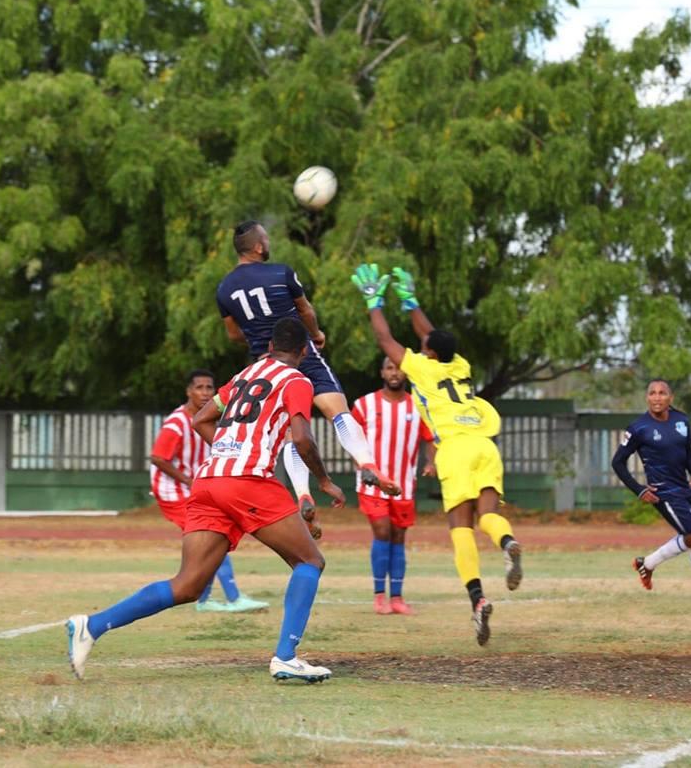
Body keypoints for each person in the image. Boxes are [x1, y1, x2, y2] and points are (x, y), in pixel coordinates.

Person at [66, 318, 347, 683]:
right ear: (305, 350)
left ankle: (91, 625)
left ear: (270, 346)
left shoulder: (244, 376)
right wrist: (324, 481)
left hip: (208, 480)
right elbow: (303, 437)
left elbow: (201, 419)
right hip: (247, 481)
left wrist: (230, 450)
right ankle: (285, 657)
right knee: (310, 560)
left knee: (188, 585)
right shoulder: (297, 381)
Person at [350, 263, 523, 646]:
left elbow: (384, 338)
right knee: (488, 516)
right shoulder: (460, 365)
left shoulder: (421, 369)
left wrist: (374, 302)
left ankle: (478, 600)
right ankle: (507, 542)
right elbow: (430, 335)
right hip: (485, 445)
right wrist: (411, 301)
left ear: (428, 353)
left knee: (461, 527)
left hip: (455, 450)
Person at [216, 221, 400, 531]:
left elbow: (233, 334)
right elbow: (305, 311)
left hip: (266, 363)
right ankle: (366, 462)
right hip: (301, 352)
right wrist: (315, 335)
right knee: (336, 410)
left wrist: (259, 340)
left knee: (291, 430)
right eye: (266, 238)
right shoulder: (281, 273)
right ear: (258, 247)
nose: (268, 242)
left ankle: (302, 492)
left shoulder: (224, 289)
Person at [149, 369, 268, 613]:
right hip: (173, 491)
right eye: (199, 387)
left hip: (197, 488)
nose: (204, 393)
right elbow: (158, 458)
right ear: (188, 391)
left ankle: (204, 601)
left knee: (214, 534)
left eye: (209, 388)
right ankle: (233, 598)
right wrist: (188, 480)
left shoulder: (211, 417)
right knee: (212, 535)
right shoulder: (177, 423)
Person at [611, 379, 691, 607]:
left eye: (662, 393)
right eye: (652, 393)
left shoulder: (681, 420)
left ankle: (647, 564)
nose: (657, 397)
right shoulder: (638, 428)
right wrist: (639, 490)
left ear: (670, 398)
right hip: (663, 493)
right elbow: (618, 463)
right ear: (647, 398)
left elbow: (687, 454)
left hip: (684, 489)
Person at [352, 357, 437, 615]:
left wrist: (430, 462)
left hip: (404, 485)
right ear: (382, 372)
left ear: (405, 373)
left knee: (399, 537)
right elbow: (351, 438)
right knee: (382, 532)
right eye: (389, 368)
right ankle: (380, 596)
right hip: (373, 484)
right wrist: (360, 464)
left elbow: (430, 438)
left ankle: (397, 598)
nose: (394, 373)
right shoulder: (364, 404)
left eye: (398, 368)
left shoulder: (418, 406)